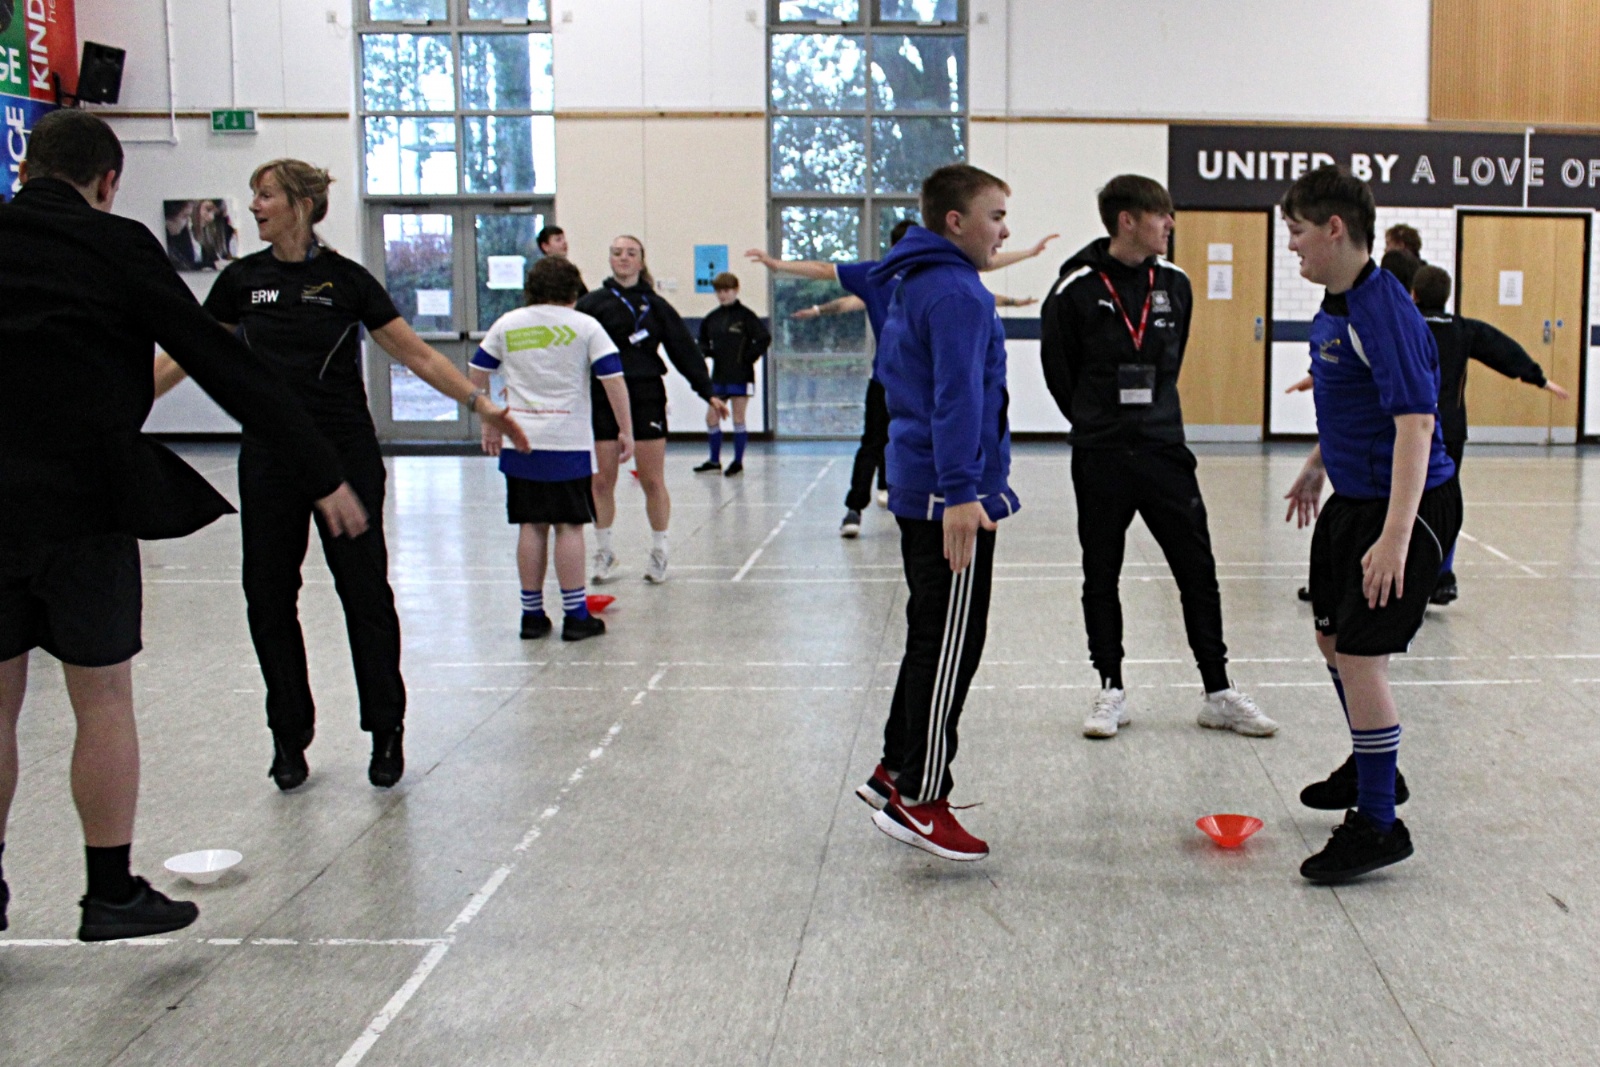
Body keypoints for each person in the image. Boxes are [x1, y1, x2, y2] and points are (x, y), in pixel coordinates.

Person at [0, 110, 366, 940]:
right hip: (84, 500)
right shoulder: (116, 244)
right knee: (101, 694)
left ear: (25, 171)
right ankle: (109, 891)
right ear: (109, 182)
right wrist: (320, 468)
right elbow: (221, 359)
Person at [154, 159, 529, 793]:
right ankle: (288, 733)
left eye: (265, 195)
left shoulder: (346, 281)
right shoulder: (241, 281)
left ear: (300, 205)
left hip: (345, 455)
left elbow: (415, 353)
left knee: (364, 594)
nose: (254, 206)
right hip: (270, 456)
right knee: (269, 597)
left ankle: (386, 728)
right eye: (254, 195)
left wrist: (479, 403)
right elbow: (186, 355)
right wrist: (121, 405)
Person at [1039, 175, 1275, 740]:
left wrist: (1149, 418)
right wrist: (1097, 419)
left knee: (1197, 570)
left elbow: (1171, 361)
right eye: (1160, 214)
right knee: (1101, 572)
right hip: (1101, 454)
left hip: (1164, 450)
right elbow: (1059, 372)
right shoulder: (1074, 288)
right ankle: (1110, 688)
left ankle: (1217, 691)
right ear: (1127, 220)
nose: (1170, 223)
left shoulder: (1176, 283)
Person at [1282, 165, 1462, 884]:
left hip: (1404, 506)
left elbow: (1416, 423)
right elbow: (1352, 402)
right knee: (1332, 639)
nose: (1291, 246)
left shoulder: (1384, 309)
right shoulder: (1336, 305)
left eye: (1297, 231)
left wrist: (1395, 536)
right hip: (1353, 498)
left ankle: (1380, 823)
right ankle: (1371, 762)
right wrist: (1316, 464)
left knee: (1361, 657)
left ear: (1334, 229)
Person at [857, 164, 1020, 863]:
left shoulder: (919, 278)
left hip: (922, 482)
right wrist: (960, 492)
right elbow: (957, 397)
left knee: (932, 632)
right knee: (952, 642)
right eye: (995, 216)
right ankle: (920, 799)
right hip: (945, 495)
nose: (1004, 231)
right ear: (955, 221)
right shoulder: (956, 292)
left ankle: (895, 765)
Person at [745, 226, 1055, 538]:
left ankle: (878, 501)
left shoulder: (924, 277)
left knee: (888, 442)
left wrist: (777, 265)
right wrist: (782, 270)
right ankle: (863, 505)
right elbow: (833, 279)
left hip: (905, 383)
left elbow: (825, 271)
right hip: (896, 382)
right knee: (885, 441)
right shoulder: (895, 276)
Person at [471, 256, 633, 642]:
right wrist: (625, 429)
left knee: (530, 524)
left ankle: (531, 616)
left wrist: (489, 421)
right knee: (569, 525)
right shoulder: (585, 326)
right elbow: (613, 379)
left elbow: (477, 372)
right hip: (567, 442)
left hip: (520, 440)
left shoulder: (508, 323)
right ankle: (576, 616)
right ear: (573, 290)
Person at [1412, 263, 1568, 604]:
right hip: (1449, 431)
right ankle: (1443, 576)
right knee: (1446, 501)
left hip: (1407, 430)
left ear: (1414, 295)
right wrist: (1539, 378)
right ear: (1446, 297)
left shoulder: (1405, 326)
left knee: (1403, 498)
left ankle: (1406, 570)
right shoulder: (1462, 329)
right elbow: (1502, 350)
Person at [575, 236, 728, 585]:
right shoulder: (591, 304)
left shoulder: (656, 306)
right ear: (610, 259)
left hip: (645, 394)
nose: (623, 258)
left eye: (631, 253)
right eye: (617, 253)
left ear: (641, 261)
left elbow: (683, 350)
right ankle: (604, 550)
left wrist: (708, 392)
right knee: (601, 480)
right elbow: (571, 352)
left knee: (651, 479)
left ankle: (660, 550)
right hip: (602, 396)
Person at [694, 271, 770, 477]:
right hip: (719, 375)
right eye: (719, 291)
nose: (723, 295)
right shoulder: (712, 318)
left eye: (726, 291)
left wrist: (749, 357)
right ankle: (714, 460)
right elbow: (702, 339)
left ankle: (737, 461)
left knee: (738, 417)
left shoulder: (746, 316)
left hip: (741, 374)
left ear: (736, 290)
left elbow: (763, 338)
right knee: (711, 417)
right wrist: (706, 351)